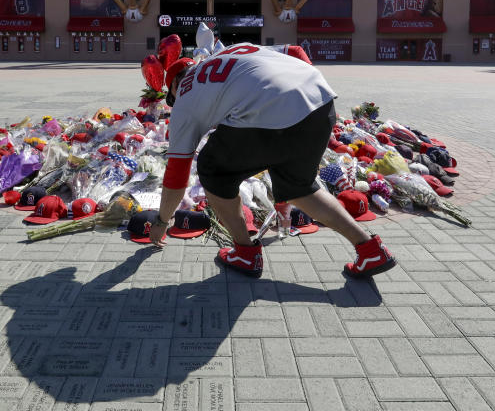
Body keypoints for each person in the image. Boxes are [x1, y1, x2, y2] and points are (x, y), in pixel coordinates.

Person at [148, 43, 396, 279]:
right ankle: (370, 249)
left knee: (213, 170)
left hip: (269, 116)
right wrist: (300, 98)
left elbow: (177, 174)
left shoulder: (185, 98)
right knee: (300, 188)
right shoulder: (234, 50)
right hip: (320, 102)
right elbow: (295, 51)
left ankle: (245, 254)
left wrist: (161, 221)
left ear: (173, 89)